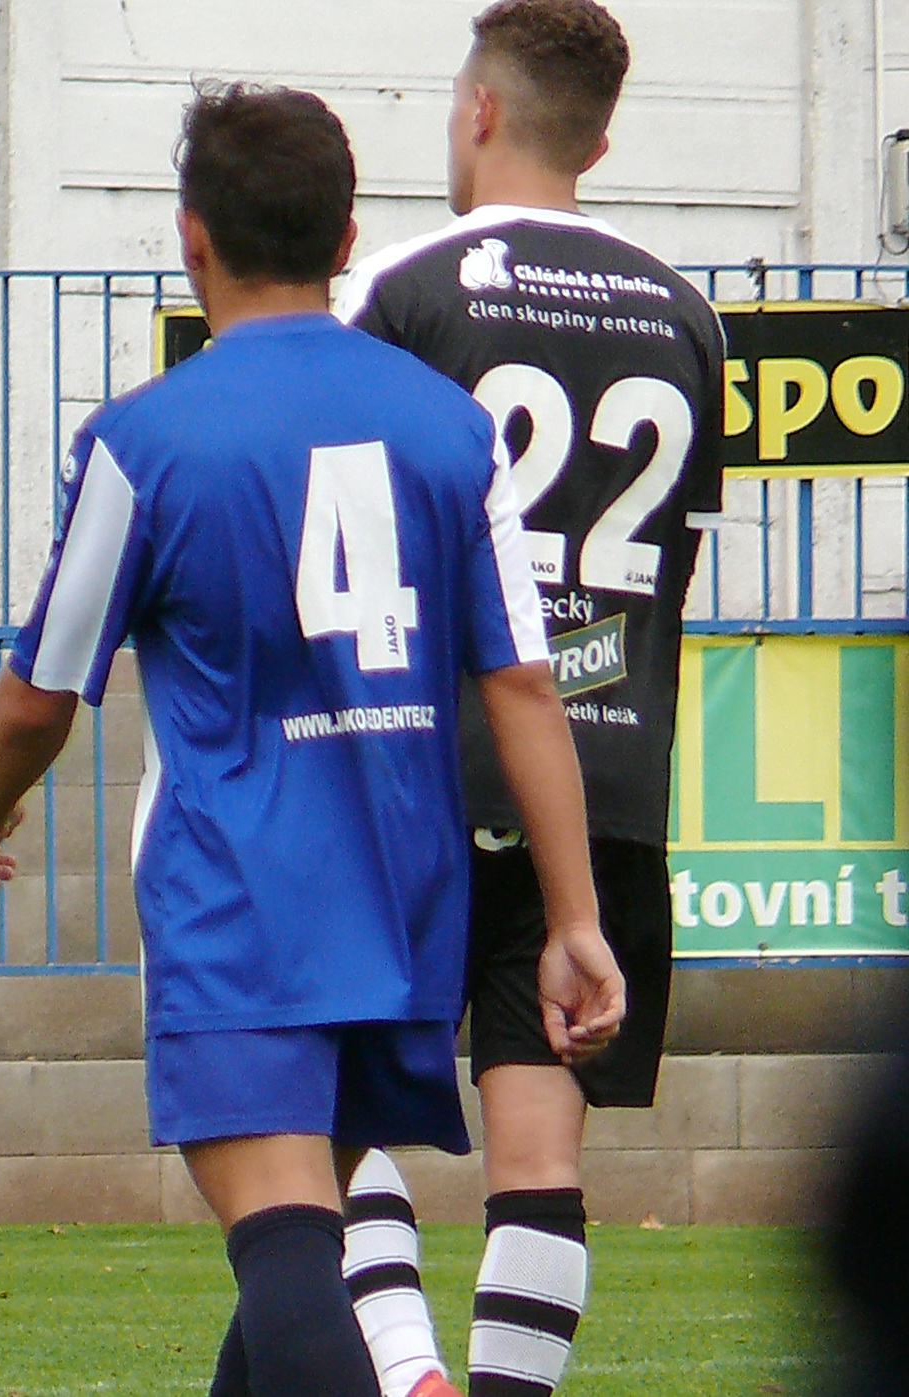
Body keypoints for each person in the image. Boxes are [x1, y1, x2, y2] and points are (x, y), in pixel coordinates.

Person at [0, 80, 624, 1397]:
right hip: (405, 905)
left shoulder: (147, 439)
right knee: (295, 1250)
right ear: (346, 235)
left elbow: (40, 692)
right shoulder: (450, 426)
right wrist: (572, 916)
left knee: (287, 1243)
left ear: (192, 237)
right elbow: (523, 686)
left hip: (242, 903)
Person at [334, 3, 725, 1394]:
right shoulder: (686, 314)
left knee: (331, 1109)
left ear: (481, 110)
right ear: (600, 143)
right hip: (602, 776)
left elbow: (348, 538)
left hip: (413, 766)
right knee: (542, 1157)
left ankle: (405, 1369)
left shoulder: (403, 287)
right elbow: (673, 564)